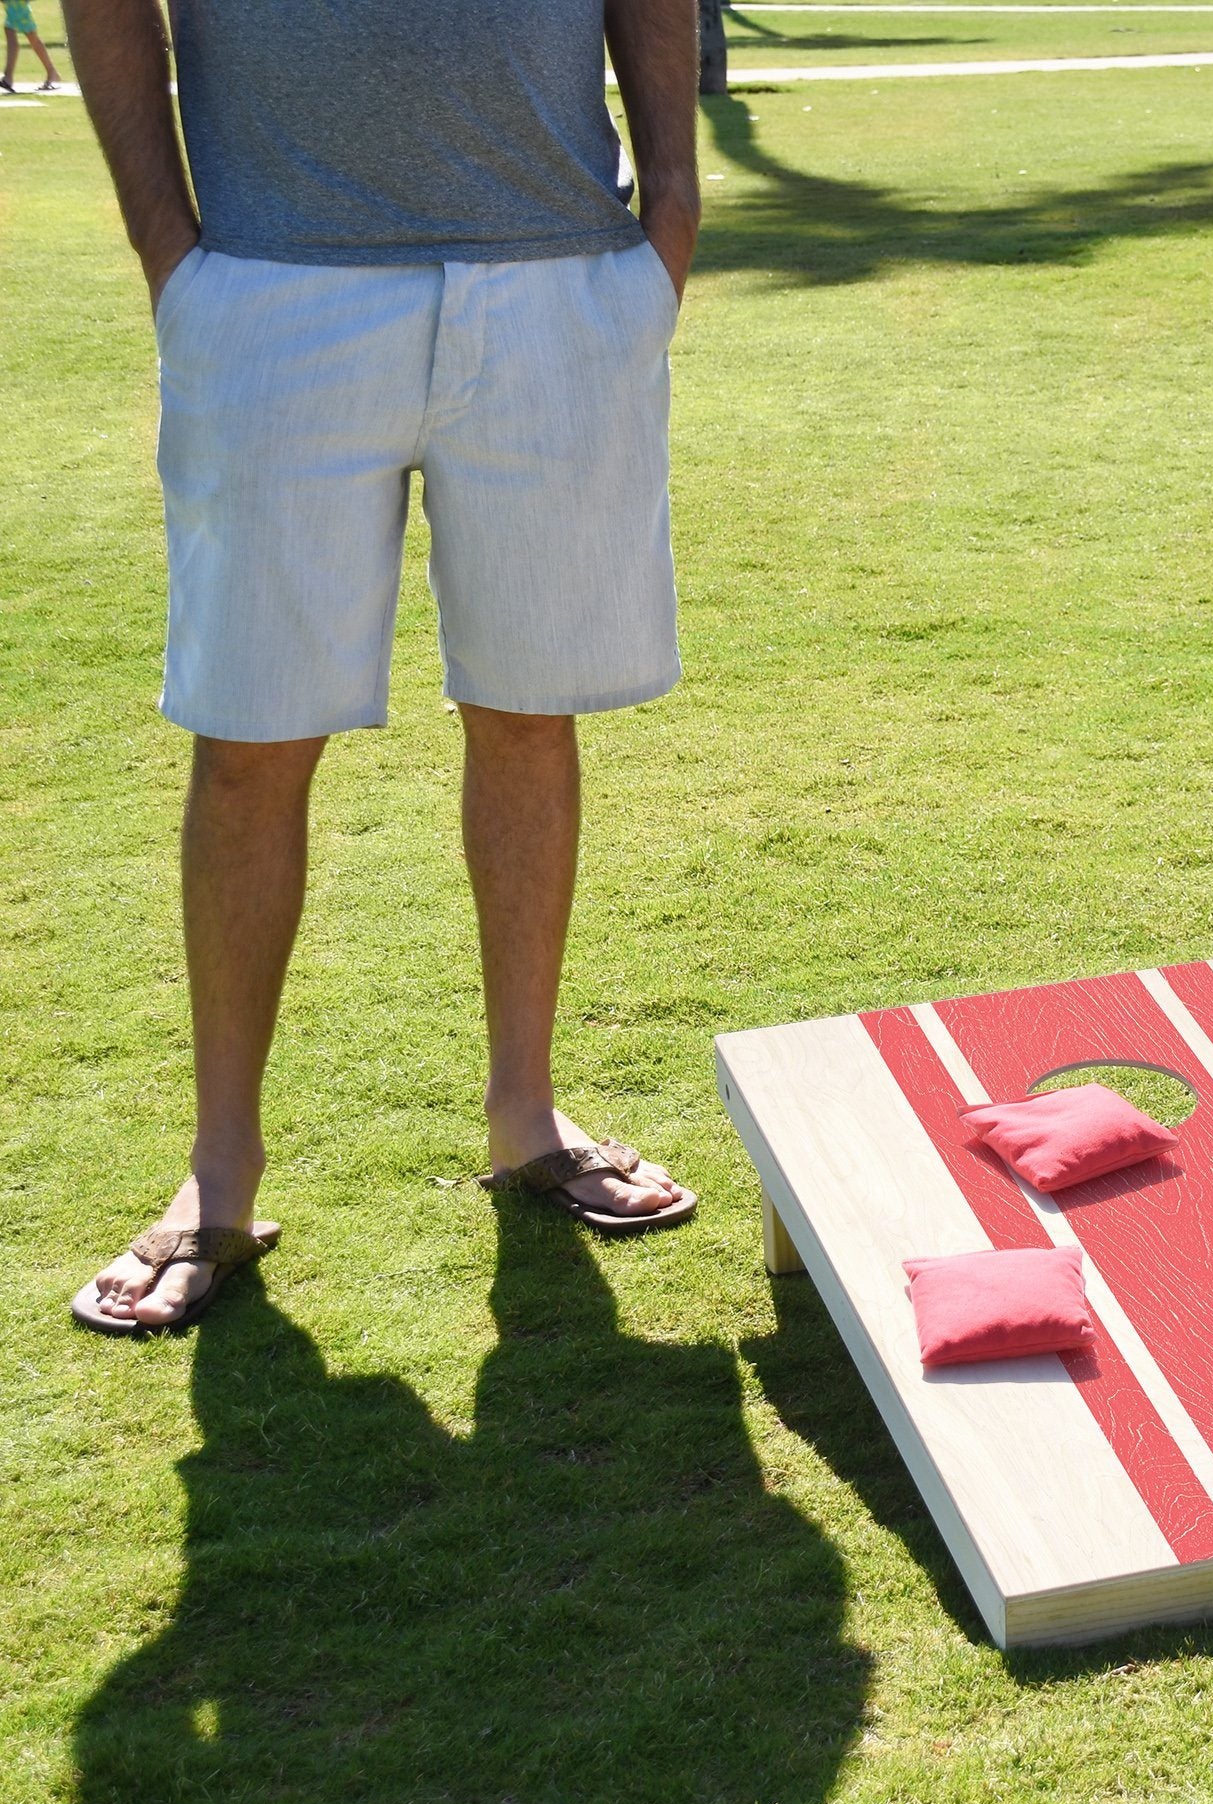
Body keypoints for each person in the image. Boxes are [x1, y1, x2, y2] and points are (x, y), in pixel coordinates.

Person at [65, 0, 704, 1334]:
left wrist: (672, 216)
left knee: (529, 721)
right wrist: (166, 249)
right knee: (246, 748)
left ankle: (526, 1117)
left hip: (559, 283)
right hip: (270, 291)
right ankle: (218, 1176)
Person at [2, 0, 64, 90]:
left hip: (18, 5)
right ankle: (52, 72)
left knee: (18, 33)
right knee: (31, 38)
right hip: (13, 5)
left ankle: (8, 77)